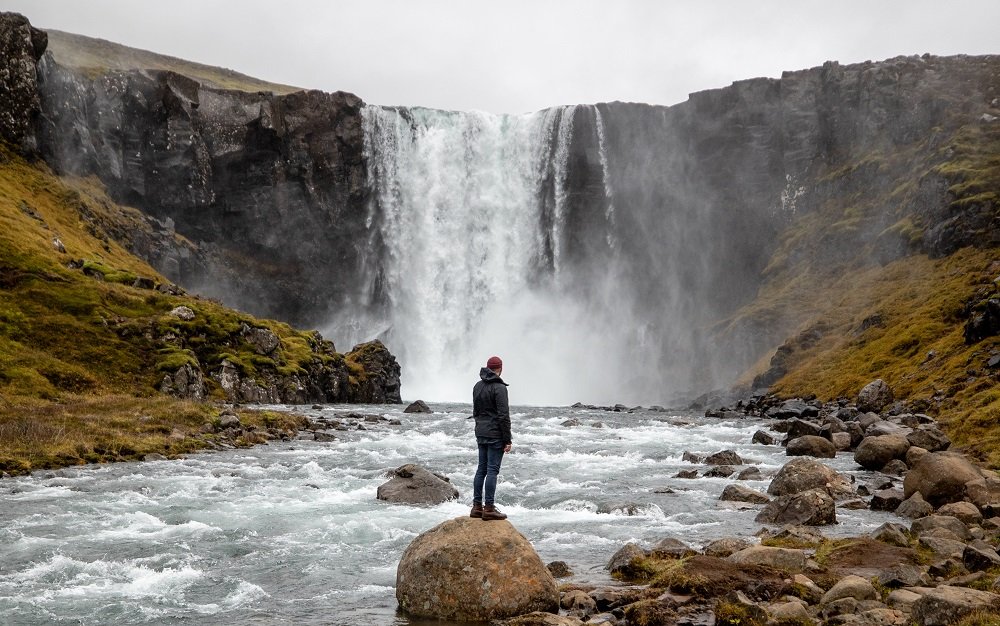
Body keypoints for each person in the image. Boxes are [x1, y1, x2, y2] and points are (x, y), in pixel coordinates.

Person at [470, 355, 511, 521]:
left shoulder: (477, 386)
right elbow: (503, 416)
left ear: (488, 368)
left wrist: (479, 427)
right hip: (495, 434)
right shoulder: (500, 388)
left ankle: (476, 507)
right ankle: (489, 508)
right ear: (500, 369)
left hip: (480, 431)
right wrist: (507, 439)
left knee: (481, 469)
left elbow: (476, 412)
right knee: (492, 470)